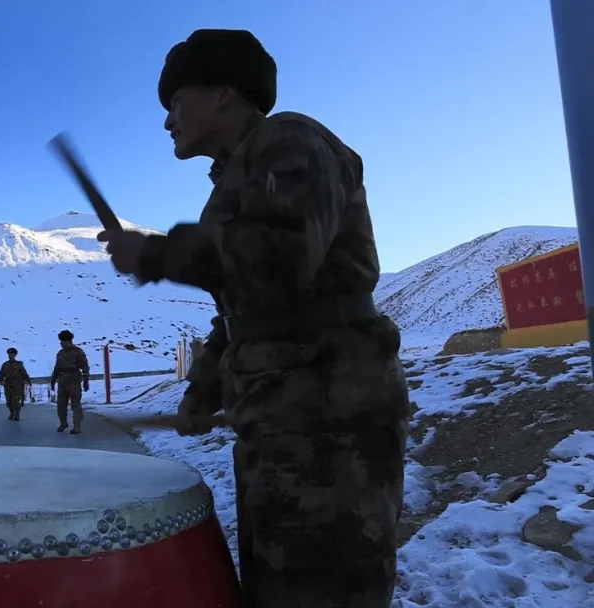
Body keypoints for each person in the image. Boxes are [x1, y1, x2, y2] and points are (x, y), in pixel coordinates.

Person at [97, 29, 410, 608]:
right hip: (283, 418)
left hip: (330, 417)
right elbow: (242, 310)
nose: (167, 121)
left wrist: (157, 254)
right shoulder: (236, 179)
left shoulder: (290, 139)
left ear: (222, 93)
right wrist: (203, 389)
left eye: (176, 101)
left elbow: (281, 260)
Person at [50, 330, 89, 434]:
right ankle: (63, 423)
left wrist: (86, 381)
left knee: (76, 405)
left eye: (63, 341)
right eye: (61, 342)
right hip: (62, 383)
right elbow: (57, 368)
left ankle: (77, 427)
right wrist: (53, 380)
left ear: (69, 341)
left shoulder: (78, 352)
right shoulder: (60, 353)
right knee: (61, 406)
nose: (61, 344)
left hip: (74, 382)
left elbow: (85, 366)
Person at [0, 347, 31, 421]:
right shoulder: (5, 364)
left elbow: (24, 373)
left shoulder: (19, 364)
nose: (11, 356)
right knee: (8, 402)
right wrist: (1, 381)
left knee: (16, 401)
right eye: (10, 354)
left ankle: (17, 414)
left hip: (17, 386)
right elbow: (1, 373)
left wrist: (28, 380)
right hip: (7, 385)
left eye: (12, 354)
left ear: (15, 355)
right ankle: (12, 412)